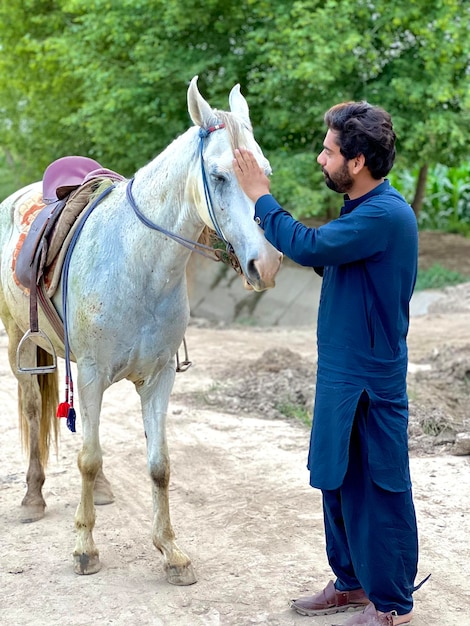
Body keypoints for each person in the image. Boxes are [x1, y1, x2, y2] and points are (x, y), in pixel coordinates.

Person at [233, 101, 424, 626]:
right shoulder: (361, 214)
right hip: (341, 375)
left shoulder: (385, 215)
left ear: (357, 162)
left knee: (377, 491)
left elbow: (307, 245)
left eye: (329, 150)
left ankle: (392, 606)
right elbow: (338, 267)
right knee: (336, 480)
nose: (321, 158)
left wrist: (258, 196)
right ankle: (352, 584)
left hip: (369, 384)